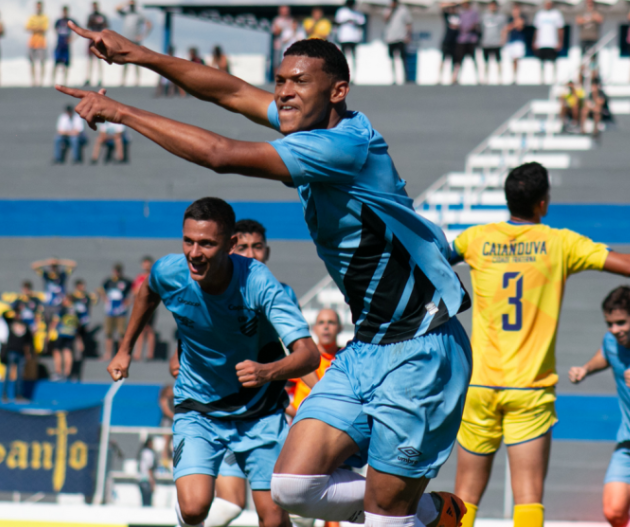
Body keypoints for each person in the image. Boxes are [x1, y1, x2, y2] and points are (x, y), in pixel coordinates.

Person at [59, 28, 475, 527]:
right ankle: (428, 509)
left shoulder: (342, 147)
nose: (283, 93)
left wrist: (120, 112)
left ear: (337, 91)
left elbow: (220, 154)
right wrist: (136, 55)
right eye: (278, 81)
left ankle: (408, 509)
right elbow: (230, 92)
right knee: (293, 487)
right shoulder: (310, 128)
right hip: (367, 348)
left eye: (297, 82)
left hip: (421, 350)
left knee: (385, 516)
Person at [104, 197, 320, 527]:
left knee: (275, 518)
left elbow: (309, 355)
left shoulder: (259, 283)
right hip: (198, 407)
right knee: (193, 507)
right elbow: (148, 292)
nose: (194, 252)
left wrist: (266, 372)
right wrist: (125, 348)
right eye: (188, 241)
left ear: (230, 245)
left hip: (259, 412)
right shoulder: (169, 271)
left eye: (206, 243)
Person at [449, 162, 630, 527]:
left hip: (480, 384)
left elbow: (432, 258)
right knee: (528, 497)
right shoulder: (560, 243)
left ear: (507, 199)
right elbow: (623, 264)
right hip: (529, 389)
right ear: (543, 203)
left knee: (464, 495)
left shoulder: (476, 239)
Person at [168, 217, 301, 527]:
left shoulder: (280, 295)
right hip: (214, 414)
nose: (251, 254)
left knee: (273, 516)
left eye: (257, 247)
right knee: (223, 504)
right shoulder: (202, 291)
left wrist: (318, 392)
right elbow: (181, 354)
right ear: (229, 250)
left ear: (267, 252)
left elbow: (296, 355)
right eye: (243, 247)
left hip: (260, 416)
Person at [569, 286, 630, 527]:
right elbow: (606, 355)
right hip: (627, 442)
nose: (615, 330)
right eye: (610, 324)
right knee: (614, 511)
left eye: (621, 323)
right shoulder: (611, 341)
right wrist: (586, 368)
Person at [287, 308, 341, 418]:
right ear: (315, 329)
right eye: (321, 322)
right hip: (303, 426)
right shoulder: (303, 358)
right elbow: (280, 395)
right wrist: (300, 416)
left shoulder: (347, 359)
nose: (326, 327)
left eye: (331, 322)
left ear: (340, 328)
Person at [99, 263, 132, 361]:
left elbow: (134, 291)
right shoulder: (108, 281)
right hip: (110, 311)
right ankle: (108, 353)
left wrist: (128, 303)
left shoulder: (126, 281)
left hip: (121, 311)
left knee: (121, 332)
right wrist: (105, 299)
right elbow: (101, 289)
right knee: (109, 332)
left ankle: (120, 353)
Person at [1, 305, 33, 402]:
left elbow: (29, 341)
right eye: (17, 313)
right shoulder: (10, 322)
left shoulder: (25, 325)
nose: (18, 315)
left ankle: (18, 395)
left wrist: (29, 352)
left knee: (19, 375)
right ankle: (4, 395)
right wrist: (12, 309)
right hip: (11, 351)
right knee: (8, 374)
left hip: (21, 353)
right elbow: (4, 314)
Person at [117, 0, 152, 86]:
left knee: (137, 60)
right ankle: (123, 80)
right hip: (126, 40)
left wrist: (142, 35)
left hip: (135, 41)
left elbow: (149, 24)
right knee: (124, 60)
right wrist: (126, 3)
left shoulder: (139, 15)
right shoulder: (126, 13)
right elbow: (116, 9)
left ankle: (137, 81)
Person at [31, 258, 76, 323]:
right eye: (52, 267)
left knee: (58, 323)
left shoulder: (62, 276)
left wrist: (59, 262)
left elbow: (73, 264)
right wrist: (47, 262)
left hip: (60, 305)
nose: (53, 269)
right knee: (46, 322)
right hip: (48, 305)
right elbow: (34, 266)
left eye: (55, 267)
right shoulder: (46, 276)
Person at [533, 0, 564, 84]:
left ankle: (554, 79)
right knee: (542, 62)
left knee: (553, 61)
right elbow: (537, 29)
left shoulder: (556, 14)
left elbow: (560, 29)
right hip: (542, 42)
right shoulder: (540, 14)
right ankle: (542, 80)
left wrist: (560, 41)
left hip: (552, 43)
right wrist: (535, 41)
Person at [132, 256, 156, 361]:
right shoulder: (139, 277)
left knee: (149, 329)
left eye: (148, 263)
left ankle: (150, 354)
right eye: (144, 263)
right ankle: (138, 353)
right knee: (140, 329)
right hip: (140, 306)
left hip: (150, 305)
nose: (146, 265)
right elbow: (134, 291)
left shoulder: (153, 277)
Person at [50, 295, 79, 380]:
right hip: (71, 333)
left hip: (61, 332)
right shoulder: (76, 310)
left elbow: (56, 320)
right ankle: (67, 373)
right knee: (67, 351)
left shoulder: (63, 309)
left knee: (57, 351)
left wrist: (50, 331)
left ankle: (58, 372)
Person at [383, 0, 412, 84]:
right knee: (392, 59)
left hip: (401, 37)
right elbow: (385, 19)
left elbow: (409, 23)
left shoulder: (404, 10)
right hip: (390, 38)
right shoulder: (388, 9)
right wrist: (391, 10)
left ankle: (406, 78)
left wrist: (408, 35)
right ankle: (394, 78)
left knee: (403, 58)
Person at [335, 0, 366, 75]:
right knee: (343, 58)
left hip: (354, 38)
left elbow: (362, 23)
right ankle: (343, 74)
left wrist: (354, 22)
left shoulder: (357, 13)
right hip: (344, 38)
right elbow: (337, 22)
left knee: (353, 58)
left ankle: (353, 75)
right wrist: (346, 21)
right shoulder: (342, 12)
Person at [452, 0, 479, 85]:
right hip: (461, 40)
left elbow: (476, 24)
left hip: (471, 40)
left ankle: (478, 78)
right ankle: (455, 78)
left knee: (474, 60)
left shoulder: (474, 13)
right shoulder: (460, 14)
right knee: (459, 60)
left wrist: (467, 28)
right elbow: (456, 24)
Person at [479, 1, 506, 85]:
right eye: (491, 6)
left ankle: (500, 78)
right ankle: (485, 78)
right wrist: (481, 40)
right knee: (486, 61)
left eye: (494, 6)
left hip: (496, 42)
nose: (493, 7)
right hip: (486, 42)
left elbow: (504, 29)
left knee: (498, 61)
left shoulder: (501, 17)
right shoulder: (484, 16)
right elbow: (481, 29)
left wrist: (503, 40)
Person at [70, 279, 97, 359]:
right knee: (76, 337)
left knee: (81, 336)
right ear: (77, 286)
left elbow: (95, 301)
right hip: (74, 321)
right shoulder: (73, 296)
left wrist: (95, 295)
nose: (83, 288)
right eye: (82, 286)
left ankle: (81, 353)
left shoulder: (87, 296)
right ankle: (77, 353)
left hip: (84, 320)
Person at [52, 6, 77, 86]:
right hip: (59, 45)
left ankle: (65, 82)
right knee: (56, 63)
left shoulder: (70, 21)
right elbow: (54, 29)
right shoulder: (58, 21)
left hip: (66, 46)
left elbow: (78, 29)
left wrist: (72, 39)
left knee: (66, 64)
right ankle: (53, 82)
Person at [85, 2, 108, 87]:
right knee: (90, 60)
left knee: (100, 59)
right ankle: (88, 78)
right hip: (92, 38)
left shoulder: (101, 16)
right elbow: (87, 25)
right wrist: (92, 22)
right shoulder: (91, 16)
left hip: (99, 38)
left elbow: (106, 25)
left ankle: (100, 79)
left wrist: (99, 24)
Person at [26, 1, 49, 87]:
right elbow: (27, 27)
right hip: (32, 42)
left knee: (42, 62)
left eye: (40, 7)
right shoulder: (32, 17)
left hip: (41, 43)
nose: (38, 8)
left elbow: (45, 29)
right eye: (37, 6)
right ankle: (33, 81)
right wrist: (38, 28)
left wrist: (34, 27)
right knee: (32, 62)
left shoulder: (45, 17)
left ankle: (41, 81)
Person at [503, 4, 526, 84]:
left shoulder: (522, 18)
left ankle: (516, 76)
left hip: (518, 41)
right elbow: (507, 29)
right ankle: (512, 76)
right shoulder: (510, 19)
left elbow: (520, 27)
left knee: (516, 58)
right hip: (511, 41)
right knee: (512, 59)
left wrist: (514, 24)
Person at [438, 2, 460, 85]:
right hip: (447, 41)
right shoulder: (447, 16)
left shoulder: (459, 17)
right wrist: (450, 4)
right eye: (452, 8)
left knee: (455, 61)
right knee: (443, 60)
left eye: (454, 8)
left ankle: (454, 78)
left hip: (456, 42)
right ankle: (439, 78)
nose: (453, 9)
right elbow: (441, 7)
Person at [272, 6, 293, 72]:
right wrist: (284, 27)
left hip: (289, 45)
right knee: (277, 63)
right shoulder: (277, 20)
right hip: (278, 45)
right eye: (283, 11)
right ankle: (276, 80)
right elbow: (276, 31)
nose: (285, 13)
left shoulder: (291, 20)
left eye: (286, 11)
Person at [138, 437, 157, 506]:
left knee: (143, 502)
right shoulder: (149, 453)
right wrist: (152, 481)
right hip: (147, 480)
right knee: (148, 503)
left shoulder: (142, 452)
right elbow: (149, 468)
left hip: (140, 479)